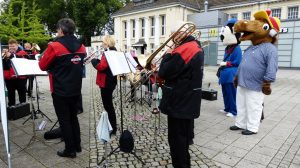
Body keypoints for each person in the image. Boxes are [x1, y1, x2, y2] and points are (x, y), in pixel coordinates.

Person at [158, 22, 204, 168]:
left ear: (178, 34)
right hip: (188, 101)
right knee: (183, 143)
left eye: (172, 35)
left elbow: (163, 72)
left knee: (177, 144)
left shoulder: (183, 49)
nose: (171, 39)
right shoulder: (194, 46)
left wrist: (167, 53)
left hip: (179, 103)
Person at [39, 18, 86, 158]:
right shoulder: (82, 46)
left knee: (64, 120)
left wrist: (48, 50)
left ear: (61, 30)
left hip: (60, 90)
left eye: (57, 30)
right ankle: (77, 146)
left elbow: (42, 66)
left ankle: (69, 150)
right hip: (76, 89)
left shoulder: (54, 46)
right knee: (73, 118)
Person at [229, 10, 281, 135]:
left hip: (256, 84)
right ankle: (240, 123)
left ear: (271, 31)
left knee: (254, 106)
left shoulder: (270, 48)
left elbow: (272, 66)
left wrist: (267, 82)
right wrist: (237, 77)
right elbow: (243, 64)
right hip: (242, 82)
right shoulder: (250, 47)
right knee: (241, 105)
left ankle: (252, 127)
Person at [91, 35, 118, 135]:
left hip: (106, 82)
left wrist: (94, 61)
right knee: (108, 105)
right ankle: (112, 125)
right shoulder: (114, 51)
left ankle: (113, 127)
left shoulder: (108, 53)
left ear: (107, 43)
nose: (102, 44)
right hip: (111, 81)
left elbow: (102, 67)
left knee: (108, 106)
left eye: (103, 42)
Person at [218, 18, 242, 117]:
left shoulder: (237, 48)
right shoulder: (228, 48)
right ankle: (227, 108)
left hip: (231, 75)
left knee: (232, 93)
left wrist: (226, 63)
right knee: (226, 93)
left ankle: (233, 111)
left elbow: (238, 62)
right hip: (225, 75)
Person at [2, 39, 28, 106]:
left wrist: (10, 55)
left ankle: (23, 109)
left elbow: (19, 57)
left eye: (13, 46)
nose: (11, 48)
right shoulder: (5, 53)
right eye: (10, 46)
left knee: (22, 94)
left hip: (20, 78)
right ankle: (11, 109)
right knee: (11, 95)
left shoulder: (22, 52)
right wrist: (3, 58)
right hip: (9, 78)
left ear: (17, 46)